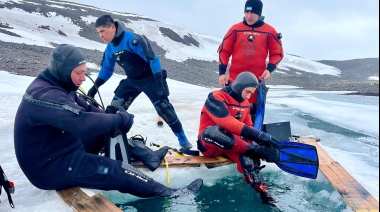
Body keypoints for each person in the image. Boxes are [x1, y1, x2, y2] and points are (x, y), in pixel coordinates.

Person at [14, 44, 202, 198]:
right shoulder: (44, 95)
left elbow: (88, 109)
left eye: (84, 72)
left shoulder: (62, 85)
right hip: (49, 168)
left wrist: (114, 116)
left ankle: (148, 156)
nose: (82, 79)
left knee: (107, 130)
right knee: (114, 170)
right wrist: (120, 119)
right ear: (63, 71)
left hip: (62, 147)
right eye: (78, 73)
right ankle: (169, 193)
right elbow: (81, 122)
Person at [87, 15, 193, 152]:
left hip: (150, 79)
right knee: (113, 109)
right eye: (98, 32)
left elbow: (154, 60)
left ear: (112, 27)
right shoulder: (109, 49)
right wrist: (94, 88)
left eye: (102, 31)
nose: (100, 35)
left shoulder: (132, 40)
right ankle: (109, 143)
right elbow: (107, 69)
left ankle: (184, 141)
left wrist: (159, 83)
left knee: (164, 108)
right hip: (132, 81)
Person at [197, 72, 279, 201]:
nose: (249, 96)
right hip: (209, 143)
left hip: (233, 145)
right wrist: (259, 138)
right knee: (215, 131)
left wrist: (262, 143)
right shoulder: (215, 97)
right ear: (239, 86)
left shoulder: (245, 103)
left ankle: (263, 192)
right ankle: (255, 151)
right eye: (247, 92)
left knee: (249, 159)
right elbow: (226, 122)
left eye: (251, 93)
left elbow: (249, 127)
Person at [218, 0, 284, 124]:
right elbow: (224, 51)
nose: (248, 16)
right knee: (232, 117)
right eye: (246, 12)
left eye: (252, 13)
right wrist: (222, 73)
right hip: (234, 83)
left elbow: (277, 53)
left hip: (255, 85)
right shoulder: (235, 29)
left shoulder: (269, 31)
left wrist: (269, 70)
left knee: (252, 120)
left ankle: (250, 141)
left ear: (259, 13)